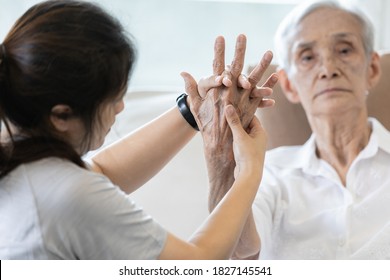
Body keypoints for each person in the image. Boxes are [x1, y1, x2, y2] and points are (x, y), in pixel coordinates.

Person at [0, 0, 278, 259]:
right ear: (61, 115)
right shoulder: (66, 197)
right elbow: (199, 263)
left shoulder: (19, 163)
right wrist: (250, 169)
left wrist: (194, 111)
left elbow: (100, 171)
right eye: (113, 99)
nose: (121, 108)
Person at [208, 0, 389, 259]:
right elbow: (239, 249)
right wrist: (221, 160)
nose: (328, 69)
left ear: (371, 69)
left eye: (345, 50)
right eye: (307, 57)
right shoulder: (266, 170)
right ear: (290, 86)